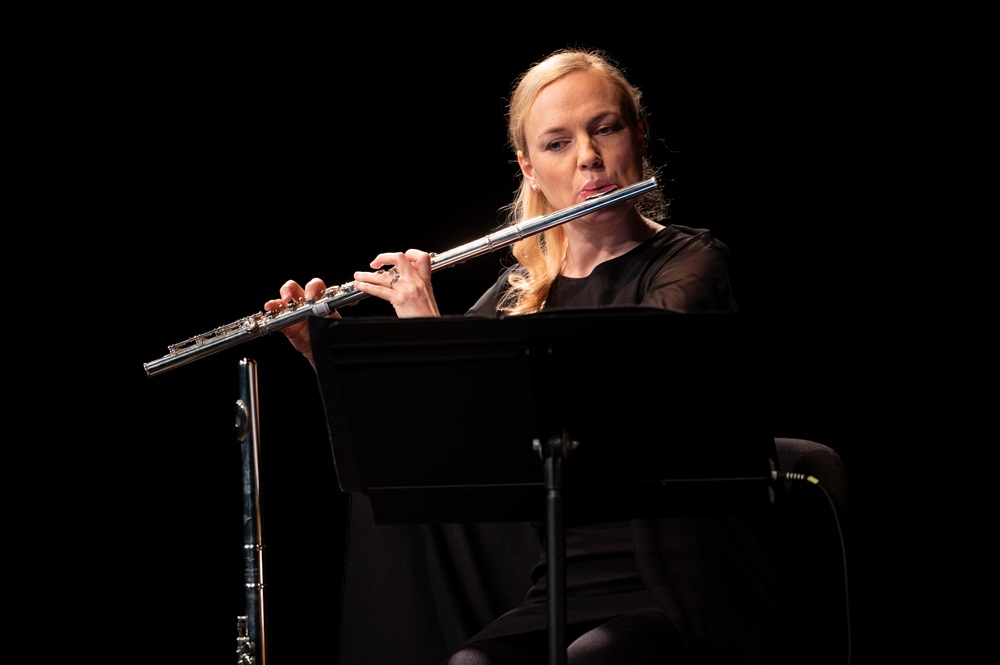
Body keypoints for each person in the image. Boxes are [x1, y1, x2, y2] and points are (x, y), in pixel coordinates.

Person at [265, 47, 802, 665]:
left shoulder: (691, 263)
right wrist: (327, 349)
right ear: (530, 168)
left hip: (681, 585)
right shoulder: (520, 293)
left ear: (638, 135)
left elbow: (615, 399)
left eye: (605, 128)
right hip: (562, 588)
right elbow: (433, 439)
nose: (588, 157)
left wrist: (427, 326)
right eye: (557, 143)